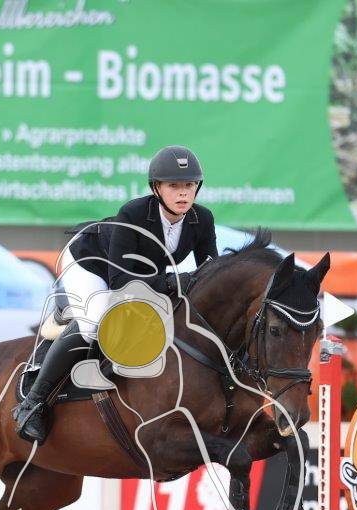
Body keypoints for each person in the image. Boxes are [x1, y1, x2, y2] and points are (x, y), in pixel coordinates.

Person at [13, 145, 218, 444]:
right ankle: (32, 404)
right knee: (95, 322)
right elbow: (121, 281)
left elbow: (210, 271)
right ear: (157, 188)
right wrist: (173, 282)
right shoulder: (133, 213)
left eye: (189, 185)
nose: (183, 193)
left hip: (136, 271)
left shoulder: (202, 219)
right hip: (89, 261)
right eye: (173, 186)